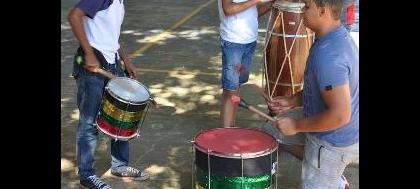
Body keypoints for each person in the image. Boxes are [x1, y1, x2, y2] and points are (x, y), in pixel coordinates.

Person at [262, 0, 359, 188]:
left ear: (323, 10)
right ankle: (330, 175)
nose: (302, 10)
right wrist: (292, 100)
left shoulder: (329, 56)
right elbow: (320, 87)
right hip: (330, 122)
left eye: (307, 6)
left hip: (334, 141)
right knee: (271, 131)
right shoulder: (332, 36)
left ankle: (331, 177)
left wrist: (297, 126)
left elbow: (340, 115)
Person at [68, 0, 149, 188]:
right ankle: (87, 174)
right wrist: (88, 54)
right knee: (89, 122)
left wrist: (126, 60)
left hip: (111, 62)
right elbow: (74, 16)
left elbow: (111, 35)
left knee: (122, 115)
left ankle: (119, 165)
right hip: (93, 66)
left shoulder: (119, 2)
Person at [218, 0, 274, 127]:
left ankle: (229, 127)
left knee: (236, 87)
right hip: (233, 42)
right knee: (231, 90)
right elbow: (228, 9)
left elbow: (253, 13)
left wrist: (271, 4)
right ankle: (226, 134)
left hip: (249, 41)